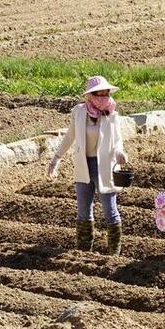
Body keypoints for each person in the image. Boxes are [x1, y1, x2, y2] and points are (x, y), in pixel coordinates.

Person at [48, 76, 128, 254]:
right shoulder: (79, 112)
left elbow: (117, 142)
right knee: (84, 211)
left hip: (105, 167)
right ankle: (83, 252)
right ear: (91, 95)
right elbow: (70, 136)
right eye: (101, 93)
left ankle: (113, 253)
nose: (105, 97)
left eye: (107, 93)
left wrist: (120, 153)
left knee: (110, 211)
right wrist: (56, 159)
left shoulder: (112, 115)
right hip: (84, 165)